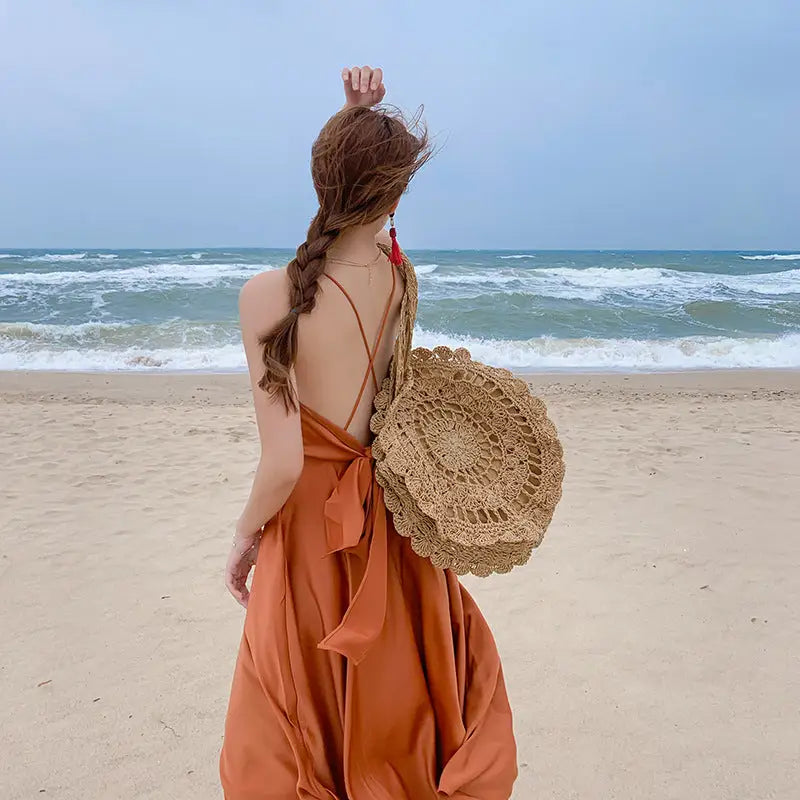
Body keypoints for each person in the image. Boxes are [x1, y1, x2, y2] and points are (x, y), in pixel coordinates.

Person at [219, 65, 517, 800]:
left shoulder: (267, 297)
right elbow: (367, 234)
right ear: (394, 193)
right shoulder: (400, 281)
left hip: (312, 534)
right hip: (392, 516)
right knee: (398, 700)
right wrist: (359, 124)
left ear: (318, 177)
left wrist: (242, 538)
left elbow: (284, 463)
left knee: (300, 708)